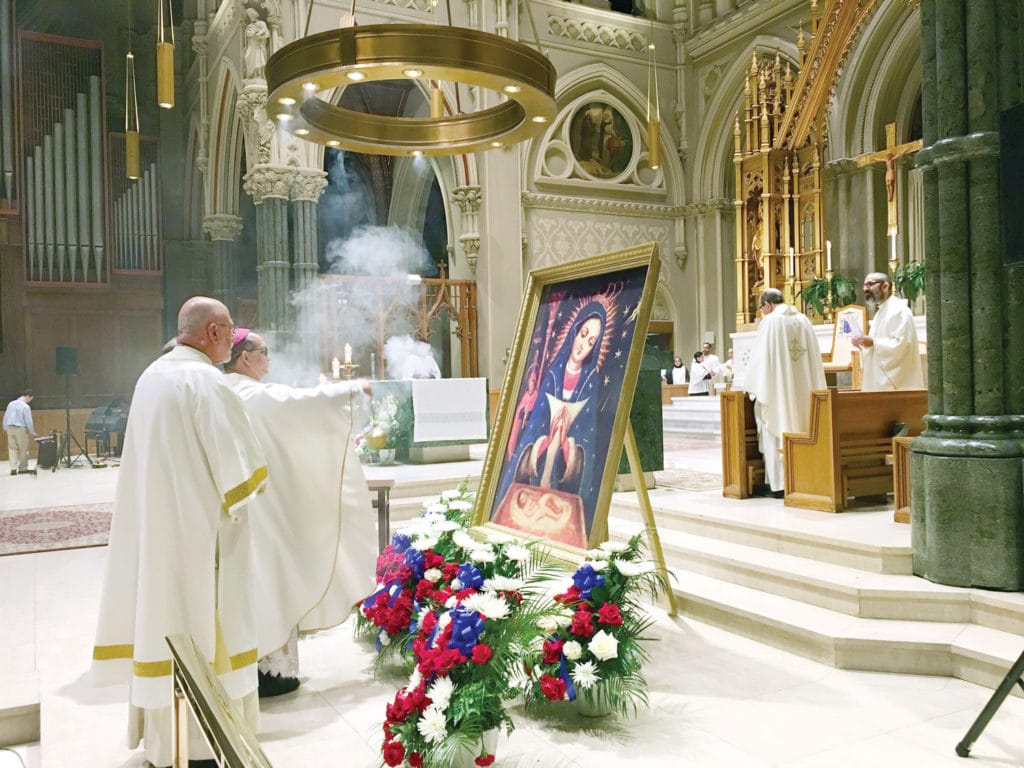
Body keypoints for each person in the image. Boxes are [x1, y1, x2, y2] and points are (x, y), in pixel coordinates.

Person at [92, 297, 268, 768]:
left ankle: (163, 744)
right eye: (229, 331)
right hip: (201, 546)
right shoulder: (207, 383)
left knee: (162, 622)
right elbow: (243, 478)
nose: (232, 340)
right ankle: (206, 743)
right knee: (203, 632)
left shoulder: (151, 376)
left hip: (159, 537)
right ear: (211, 332)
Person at [223, 329, 376, 697]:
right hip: (261, 507)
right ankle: (269, 672)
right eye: (264, 351)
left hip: (247, 502)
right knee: (269, 580)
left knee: (261, 581)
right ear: (245, 357)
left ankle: (266, 667)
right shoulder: (248, 393)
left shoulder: (226, 390)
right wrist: (352, 391)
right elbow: (298, 403)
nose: (269, 358)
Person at [493, 294, 618, 548]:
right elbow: (535, 423)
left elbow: (588, 432)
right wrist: (544, 440)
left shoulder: (591, 380)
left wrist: (569, 445)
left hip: (565, 463)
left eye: (592, 341)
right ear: (574, 331)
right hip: (539, 456)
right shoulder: (553, 373)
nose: (584, 345)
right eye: (583, 334)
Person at [744, 288, 826, 496]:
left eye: (761, 308)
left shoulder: (771, 322)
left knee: (776, 426)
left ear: (767, 305)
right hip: (804, 392)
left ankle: (780, 483)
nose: (762, 312)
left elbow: (759, 362)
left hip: (778, 393)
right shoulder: (804, 321)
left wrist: (751, 386)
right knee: (802, 423)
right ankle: (803, 477)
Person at [851, 272, 923, 391]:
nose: (865, 289)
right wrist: (862, 343)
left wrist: (873, 342)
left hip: (897, 384)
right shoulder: (881, 312)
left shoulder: (899, 310)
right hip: (880, 380)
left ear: (885, 286)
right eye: (864, 285)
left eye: (869, 284)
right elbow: (875, 345)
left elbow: (902, 344)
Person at [4, 388, 37, 476]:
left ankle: (13, 468)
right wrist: (32, 431)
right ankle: (22, 468)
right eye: (30, 399)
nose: (30, 401)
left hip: (10, 428)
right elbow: (28, 421)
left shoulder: (11, 404)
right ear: (28, 396)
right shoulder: (25, 406)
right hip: (20, 429)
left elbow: (6, 416)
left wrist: (5, 427)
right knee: (23, 449)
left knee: (12, 449)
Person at [243, 8, 270, 80]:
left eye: (251, 15)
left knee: (259, 60)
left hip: (259, 46)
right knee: (247, 56)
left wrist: (260, 35)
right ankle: (251, 75)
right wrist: (253, 33)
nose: (250, 17)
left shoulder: (261, 23)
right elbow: (247, 36)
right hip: (252, 45)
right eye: (249, 16)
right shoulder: (249, 26)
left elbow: (267, 34)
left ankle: (259, 75)